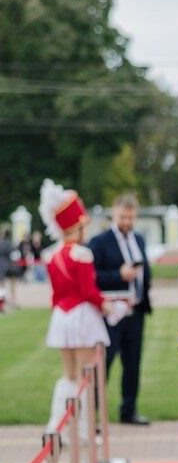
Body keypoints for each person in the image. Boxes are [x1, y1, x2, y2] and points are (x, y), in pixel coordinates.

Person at [38, 180, 114, 439]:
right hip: (81, 316)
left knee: (68, 375)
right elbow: (89, 292)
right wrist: (108, 306)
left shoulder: (51, 255)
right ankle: (83, 431)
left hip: (61, 316)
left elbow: (55, 294)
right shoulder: (82, 254)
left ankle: (58, 426)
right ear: (77, 225)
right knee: (85, 377)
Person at [88, 194, 152, 425]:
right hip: (111, 313)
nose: (127, 222)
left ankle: (129, 411)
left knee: (133, 363)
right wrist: (119, 275)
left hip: (136, 312)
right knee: (103, 364)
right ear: (114, 214)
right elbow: (91, 276)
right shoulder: (99, 242)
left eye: (131, 218)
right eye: (123, 217)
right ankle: (92, 416)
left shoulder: (139, 239)